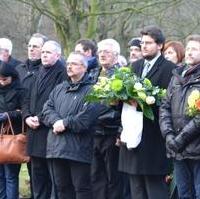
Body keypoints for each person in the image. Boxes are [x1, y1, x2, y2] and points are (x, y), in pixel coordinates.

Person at [119, 25, 176, 199]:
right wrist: (117, 99)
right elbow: (123, 98)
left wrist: (143, 103)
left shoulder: (169, 69)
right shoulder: (134, 66)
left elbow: (170, 103)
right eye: (142, 42)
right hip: (132, 138)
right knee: (136, 190)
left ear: (160, 45)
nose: (144, 46)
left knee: (154, 191)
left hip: (153, 139)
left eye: (148, 43)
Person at [42, 52, 99, 199]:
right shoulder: (59, 88)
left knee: (82, 189)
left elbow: (86, 118)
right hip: (57, 148)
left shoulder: (93, 90)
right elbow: (47, 109)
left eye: (73, 64)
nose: (69, 66)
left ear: (84, 68)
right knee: (61, 189)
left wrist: (65, 123)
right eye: (68, 63)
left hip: (79, 150)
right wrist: (56, 122)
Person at [22, 40, 67, 199]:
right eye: (43, 52)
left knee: (53, 179)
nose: (44, 55)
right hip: (33, 131)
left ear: (58, 55)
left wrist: (40, 118)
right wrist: (27, 116)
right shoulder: (38, 71)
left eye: (48, 52)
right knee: (36, 176)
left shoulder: (62, 73)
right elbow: (27, 98)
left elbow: (57, 101)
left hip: (49, 132)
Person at [159, 34, 200, 199]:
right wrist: (168, 135)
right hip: (177, 148)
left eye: (195, 49)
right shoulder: (177, 76)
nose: (189, 52)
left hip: (196, 148)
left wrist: (180, 139)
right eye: (188, 48)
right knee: (184, 194)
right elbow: (164, 107)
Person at [16, 32, 48, 199]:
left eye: (35, 46)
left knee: (38, 170)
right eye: (29, 46)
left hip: (39, 125)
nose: (31, 49)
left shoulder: (45, 71)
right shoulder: (19, 69)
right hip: (18, 123)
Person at [91, 38, 122, 199]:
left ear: (116, 56)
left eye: (107, 52)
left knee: (113, 177)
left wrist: (120, 132)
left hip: (111, 132)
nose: (102, 55)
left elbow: (124, 109)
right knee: (96, 175)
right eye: (100, 51)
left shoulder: (123, 76)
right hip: (93, 132)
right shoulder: (93, 73)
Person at [0, 61, 24, 199]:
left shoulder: (20, 91)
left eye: (5, 79)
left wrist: (8, 115)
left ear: (12, 78)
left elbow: (24, 111)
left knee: (11, 175)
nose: (2, 82)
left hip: (11, 136)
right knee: (1, 175)